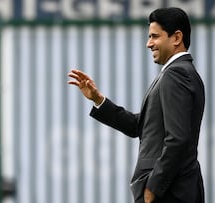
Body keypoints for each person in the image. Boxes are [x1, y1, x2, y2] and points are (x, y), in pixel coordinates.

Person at [68, 7, 205, 203]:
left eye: (154, 36)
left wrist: (153, 187)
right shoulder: (181, 73)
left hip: (168, 193)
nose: (148, 44)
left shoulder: (176, 74)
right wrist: (98, 100)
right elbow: (139, 126)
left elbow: (178, 139)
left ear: (176, 38)